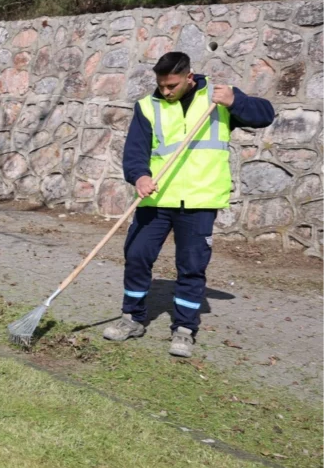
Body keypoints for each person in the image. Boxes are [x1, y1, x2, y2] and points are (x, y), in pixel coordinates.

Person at [102, 51, 275, 358]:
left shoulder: (216, 99)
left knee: (192, 266)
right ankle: (132, 318)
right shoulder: (147, 106)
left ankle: (184, 330)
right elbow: (135, 152)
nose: (165, 91)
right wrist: (139, 176)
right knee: (137, 256)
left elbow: (265, 115)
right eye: (161, 85)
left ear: (188, 77)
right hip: (155, 198)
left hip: (199, 199)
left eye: (172, 85)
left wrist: (236, 102)